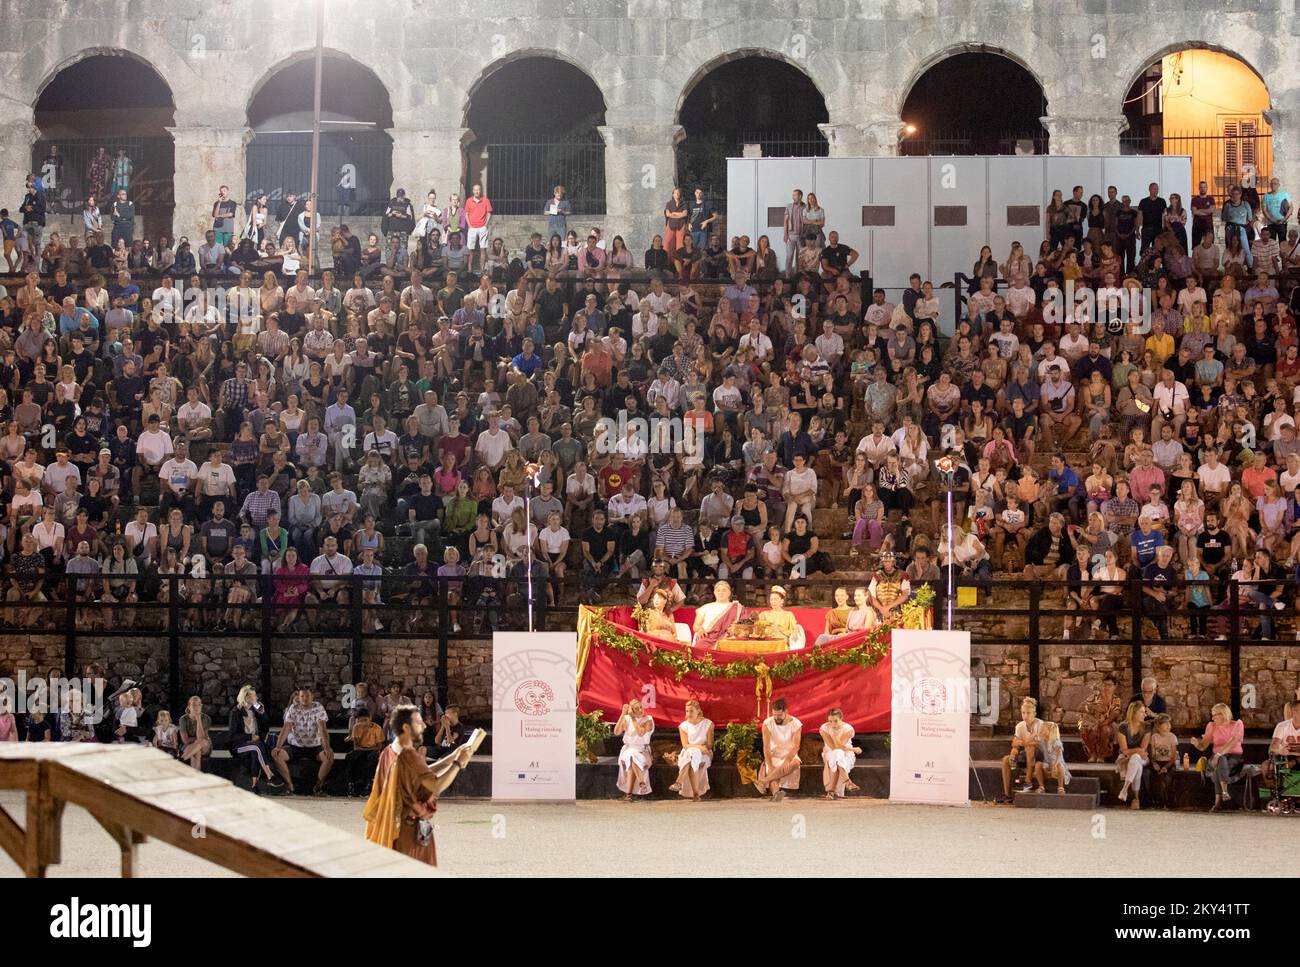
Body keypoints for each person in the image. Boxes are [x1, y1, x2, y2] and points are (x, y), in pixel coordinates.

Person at [362, 704, 475, 866]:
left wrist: (452, 758)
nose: (423, 726)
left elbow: (422, 772)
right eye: (418, 723)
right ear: (407, 727)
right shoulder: (409, 756)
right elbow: (435, 785)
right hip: (409, 830)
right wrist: (458, 764)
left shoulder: (389, 751)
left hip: (394, 825)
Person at [1190, 702, 1245, 811]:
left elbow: (1232, 742)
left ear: (1224, 714)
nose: (1213, 717)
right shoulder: (1212, 726)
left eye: (1215, 715)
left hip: (1234, 758)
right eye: (1212, 714)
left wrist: (1219, 754)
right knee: (1220, 760)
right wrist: (1197, 744)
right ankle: (1225, 792)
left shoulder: (1237, 724)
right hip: (1216, 759)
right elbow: (1203, 747)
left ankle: (1217, 803)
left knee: (1219, 764)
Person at [226, 685, 282, 793]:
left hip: (253, 745)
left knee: (256, 750)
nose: (256, 699)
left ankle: (254, 786)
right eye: (253, 696)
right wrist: (249, 737)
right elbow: (232, 736)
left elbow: (266, 728)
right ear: (246, 698)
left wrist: (263, 714)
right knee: (256, 746)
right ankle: (270, 775)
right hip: (238, 746)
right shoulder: (235, 712)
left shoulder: (255, 711)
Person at [754, 698, 802, 801]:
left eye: (779, 715)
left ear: (786, 711)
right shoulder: (767, 723)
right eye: (774, 715)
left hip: (789, 754)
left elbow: (796, 746)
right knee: (773, 770)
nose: (776, 718)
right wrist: (769, 764)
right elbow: (766, 746)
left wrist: (786, 761)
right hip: (773, 754)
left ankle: (763, 781)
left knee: (796, 763)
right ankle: (776, 794)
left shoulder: (796, 723)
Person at [1000, 697, 1043, 800]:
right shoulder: (1019, 726)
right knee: (1006, 760)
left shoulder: (1040, 724)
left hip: (1041, 754)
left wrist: (1023, 742)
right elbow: (1015, 744)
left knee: (1030, 747)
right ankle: (1007, 795)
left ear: (1034, 713)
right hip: (1026, 754)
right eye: (1023, 713)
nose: (1025, 716)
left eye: (1028, 713)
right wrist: (1013, 754)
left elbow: (1036, 743)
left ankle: (1028, 782)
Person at [671, 699, 714, 800]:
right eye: (687, 711)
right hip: (688, 752)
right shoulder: (683, 726)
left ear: (698, 711)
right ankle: (696, 794)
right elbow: (685, 745)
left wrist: (700, 748)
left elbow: (709, 745)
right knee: (692, 754)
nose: (688, 713)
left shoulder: (708, 724)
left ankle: (679, 782)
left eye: (691, 711)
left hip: (705, 754)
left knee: (693, 754)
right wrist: (699, 747)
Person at [613, 698, 654, 802]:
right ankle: (641, 782)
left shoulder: (648, 719)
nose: (641, 710)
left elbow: (641, 733)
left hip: (642, 751)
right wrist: (623, 714)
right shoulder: (627, 718)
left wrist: (633, 719)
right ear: (632, 710)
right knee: (631, 755)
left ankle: (629, 795)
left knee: (632, 757)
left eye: (641, 707)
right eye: (637, 709)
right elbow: (617, 732)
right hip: (629, 749)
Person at [818, 708, 861, 799]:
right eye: (830, 721)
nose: (833, 724)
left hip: (846, 754)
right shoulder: (824, 728)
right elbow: (833, 747)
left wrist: (834, 735)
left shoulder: (848, 729)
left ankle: (831, 792)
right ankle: (848, 782)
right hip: (829, 752)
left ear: (841, 718)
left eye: (836, 721)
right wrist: (853, 749)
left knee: (838, 755)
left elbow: (839, 746)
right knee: (837, 753)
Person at [1115, 700, 1150, 810]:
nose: (1145, 714)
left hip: (1143, 757)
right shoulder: (1123, 727)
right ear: (1133, 713)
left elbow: (1143, 749)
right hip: (1127, 758)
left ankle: (1125, 789)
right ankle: (1136, 798)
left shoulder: (1147, 727)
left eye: (1144, 712)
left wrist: (1133, 752)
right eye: (1141, 712)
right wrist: (1136, 751)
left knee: (1136, 758)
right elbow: (1124, 750)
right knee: (1137, 765)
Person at [1078, 675, 1121, 762]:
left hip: (1108, 723)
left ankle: (1101, 755)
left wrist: (1103, 723)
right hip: (1093, 722)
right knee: (1090, 730)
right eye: (1105, 684)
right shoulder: (1095, 697)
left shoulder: (1116, 700)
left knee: (1106, 730)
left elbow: (1115, 713)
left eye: (1109, 685)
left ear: (1115, 686)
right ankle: (1092, 754)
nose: (1107, 687)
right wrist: (1091, 707)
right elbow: (1080, 707)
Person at [345, 706, 386, 797]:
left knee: (373, 757)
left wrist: (367, 749)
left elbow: (379, 747)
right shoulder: (356, 728)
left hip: (372, 750)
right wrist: (362, 733)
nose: (363, 723)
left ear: (370, 718)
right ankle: (351, 784)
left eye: (365, 720)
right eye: (360, 720)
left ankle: (369, 784)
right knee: (350, 756)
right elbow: (356, 746)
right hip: (361, 750)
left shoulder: (377, 728)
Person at [691, 579, 742, 649]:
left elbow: (744, 624)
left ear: (729, 593)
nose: (721, 593)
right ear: (714, 593)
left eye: (724, 590)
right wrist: (700, 629)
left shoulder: (737, 607)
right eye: (718, 590)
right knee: (700, 645)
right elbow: (696, 625)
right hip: (707, 637)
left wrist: (735, 628)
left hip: (728, 636)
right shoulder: (706, 607)